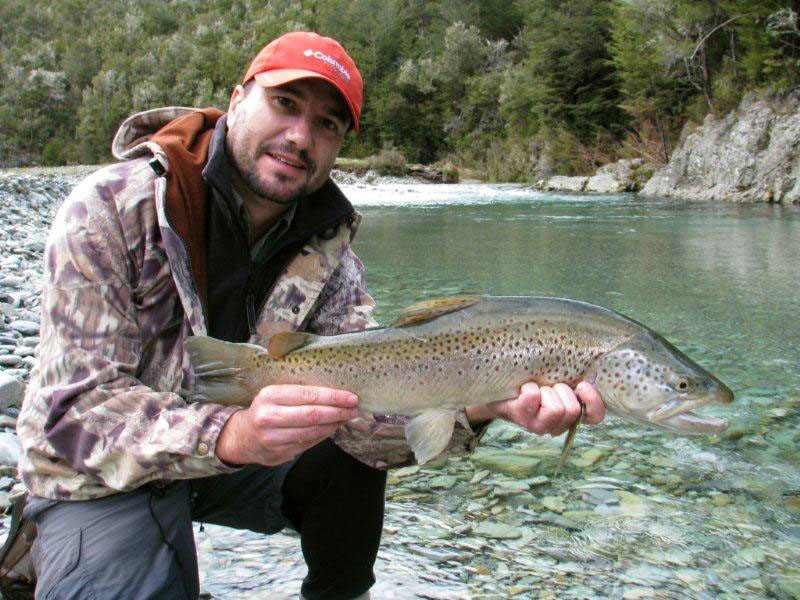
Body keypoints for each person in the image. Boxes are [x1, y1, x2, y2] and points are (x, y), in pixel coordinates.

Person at [10, 31, 604, 600]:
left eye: (326, 124)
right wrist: (232, 434)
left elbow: (369, 432)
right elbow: (75, 411)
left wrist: (482, 404)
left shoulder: (333, 261)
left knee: (346, 463)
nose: (299, 135)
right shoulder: (110, 209)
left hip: (227, 465)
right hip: (93, 474)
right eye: (284, 103)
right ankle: (48, 542)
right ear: (238, 100)